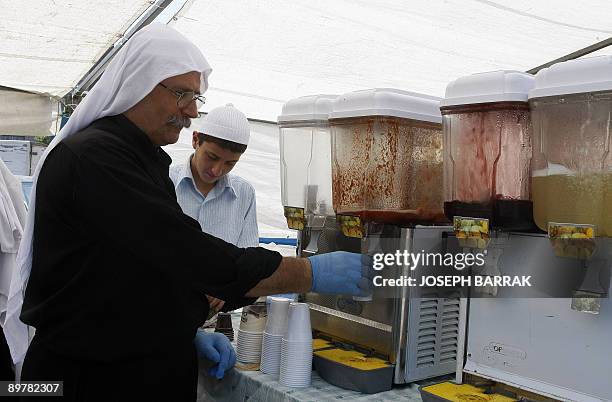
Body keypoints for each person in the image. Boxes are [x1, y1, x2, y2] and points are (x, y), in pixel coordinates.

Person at [3, 23, 367, 402]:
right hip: (88, 378)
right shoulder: (97, 159)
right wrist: (308, 271)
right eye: (181, 94)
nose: (191, 111)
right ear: (138, 83)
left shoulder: (138, 160)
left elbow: (139, 274)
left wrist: (183, 330)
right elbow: (192, 256)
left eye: (196, 97)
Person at [170, 104, 257, 313]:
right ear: (195, 140)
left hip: (218, 317)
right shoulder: (163, 182)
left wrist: (225, 289)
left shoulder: (244, 193)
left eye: (230, 163)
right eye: (212, 157)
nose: (217, 170)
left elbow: (248, 262)